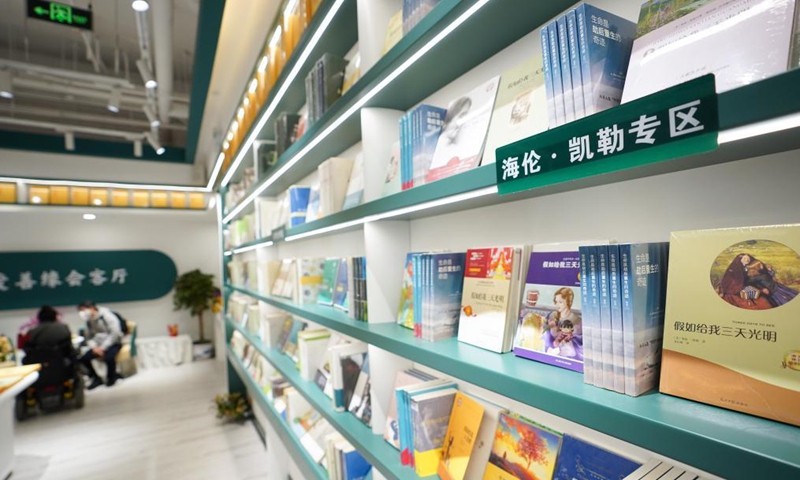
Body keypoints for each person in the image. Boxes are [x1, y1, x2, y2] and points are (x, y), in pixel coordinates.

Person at [77, 300, 123, 389]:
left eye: (83, 310)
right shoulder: (88, 320)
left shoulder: (107, 316)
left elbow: (115, 333)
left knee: (109, 358)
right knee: (83, 359)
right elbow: (89, 337)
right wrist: (94, 347)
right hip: (97, 346)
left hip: (113, 343)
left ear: (92, 308)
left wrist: (103, 348)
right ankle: (96, 378)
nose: (82, 313)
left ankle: (111, 378)